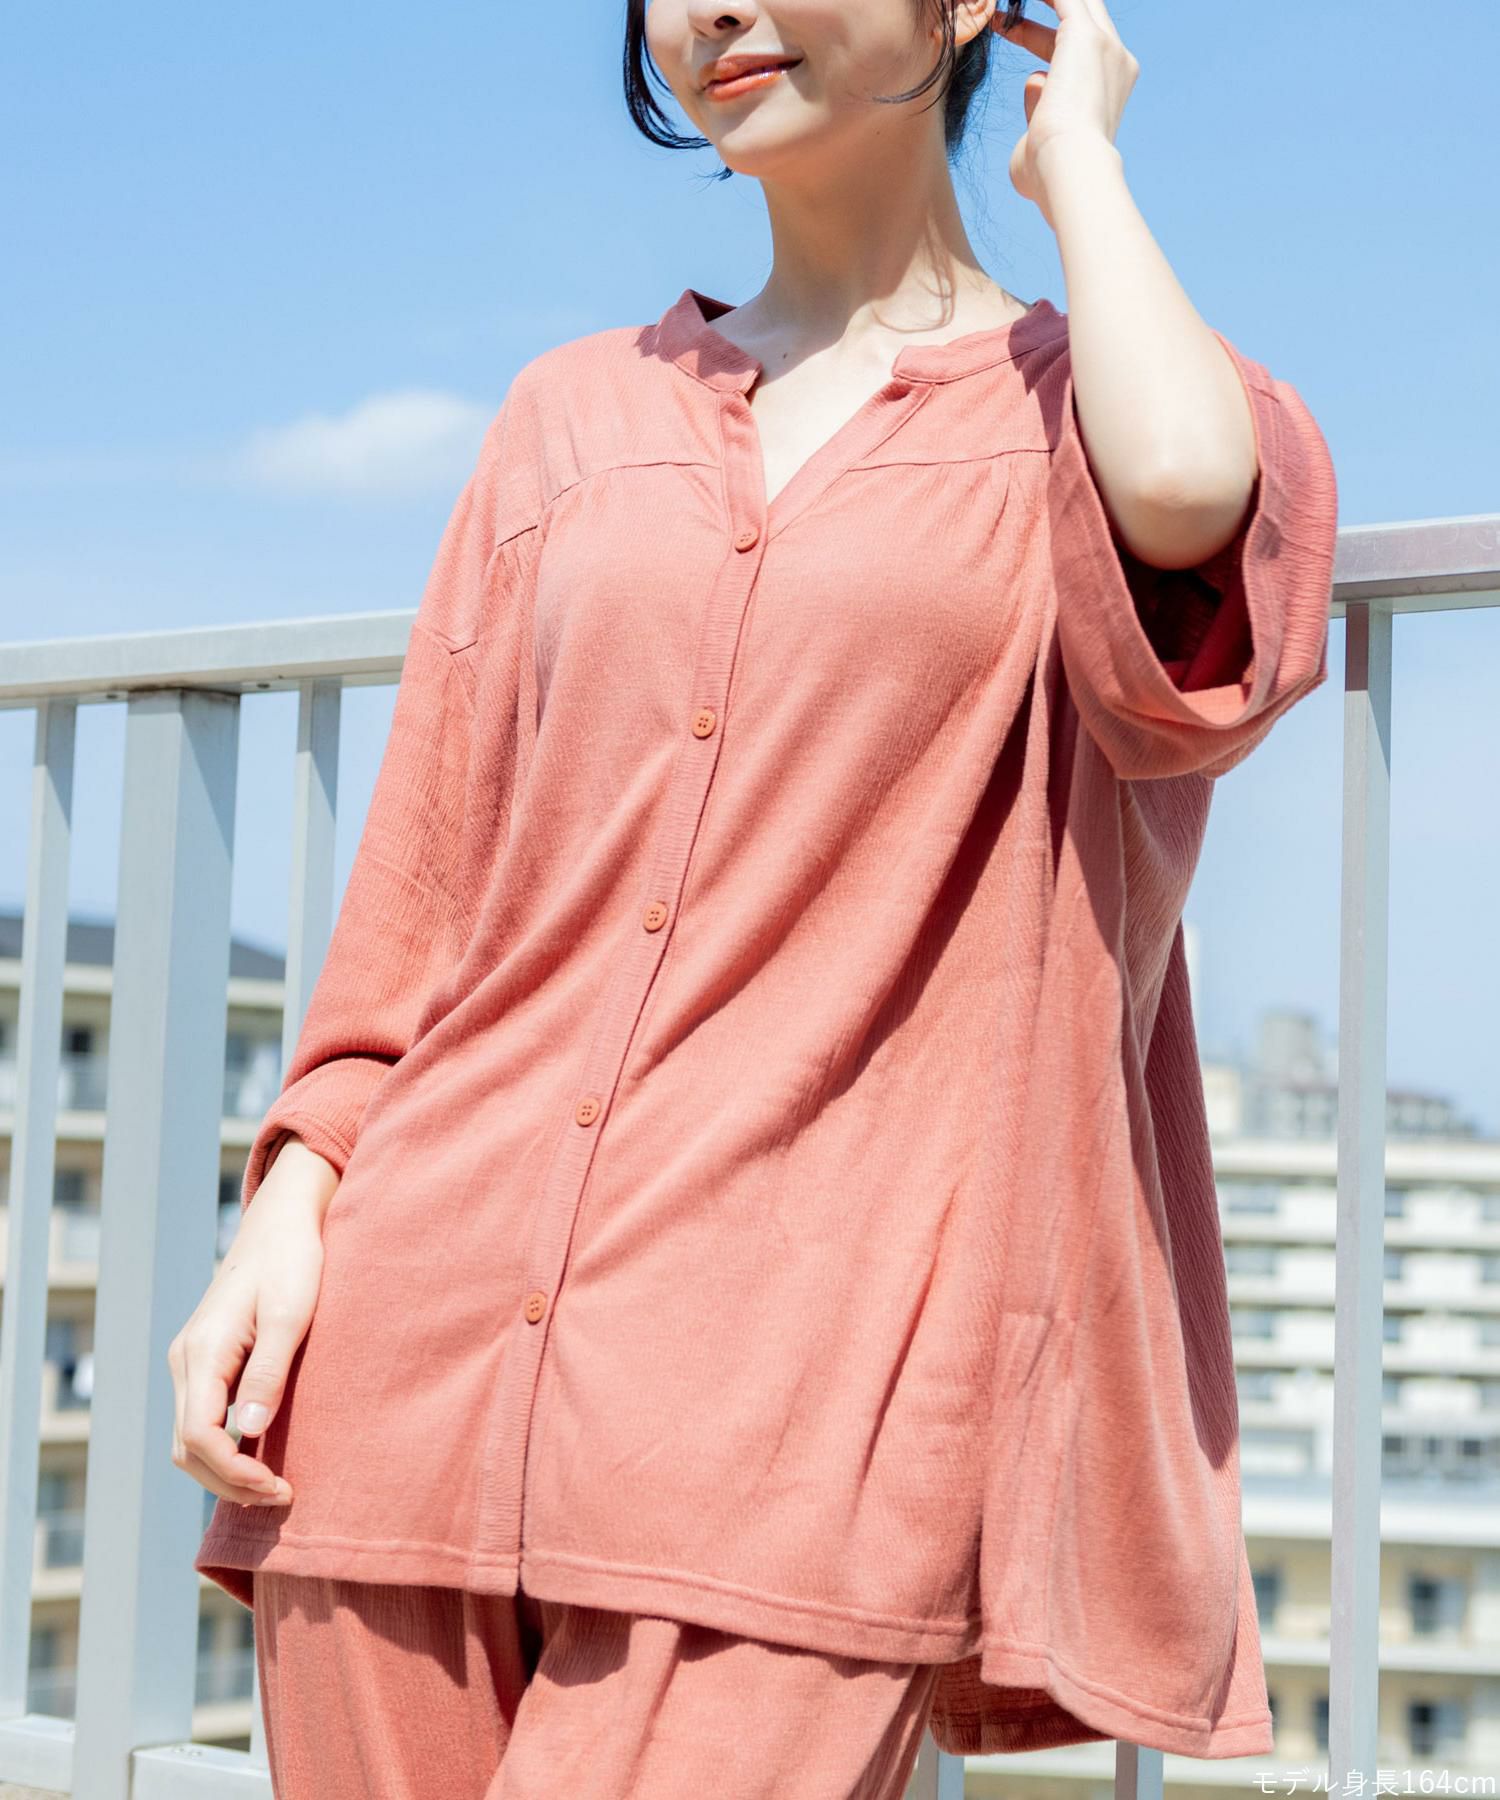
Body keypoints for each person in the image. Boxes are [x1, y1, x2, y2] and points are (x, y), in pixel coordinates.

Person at [170, 1, 1340, 1794]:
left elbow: (1189, 499)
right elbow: (428, 872)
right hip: (402, 1381)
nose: (708, 9)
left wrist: (1082, 161)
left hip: (805, 1423)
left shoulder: (1077, 409)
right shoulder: (571, 417)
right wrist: (289, 1209)